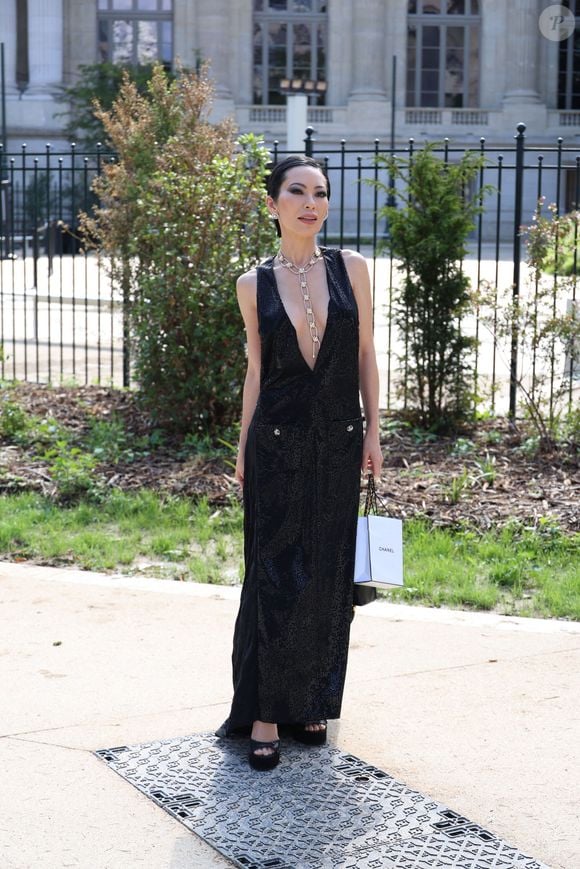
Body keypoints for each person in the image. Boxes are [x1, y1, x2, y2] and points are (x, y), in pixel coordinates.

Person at [216, 155, 382, 771]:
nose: (311, 203)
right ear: (272, 204)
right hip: (276, 442)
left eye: (321, 193)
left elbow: (366, 351)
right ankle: (263, 710)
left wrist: (374, 430)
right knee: (273, 571)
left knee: (327, 572)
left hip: (339, 439)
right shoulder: (251, 283)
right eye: (297, 191)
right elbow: (257, 370)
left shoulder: (353, 269)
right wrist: (242, 447)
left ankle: (310, 697)